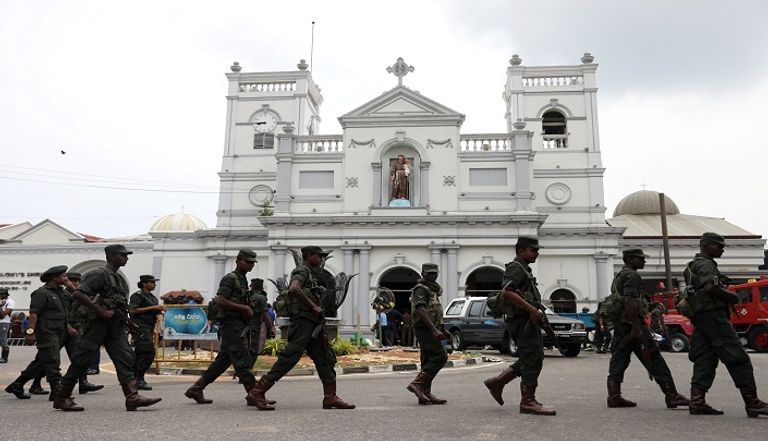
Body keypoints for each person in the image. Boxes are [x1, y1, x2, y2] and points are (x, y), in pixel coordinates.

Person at [53, 244, 161, 412]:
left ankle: (132, 397)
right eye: (123, 255)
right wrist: (100, 310)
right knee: (82, 360)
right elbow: (78, 294)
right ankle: (62, 397)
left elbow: (119, 304)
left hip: (115, 326)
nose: (126, 258)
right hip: (98, 324)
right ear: (112, 256)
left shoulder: (117, 278)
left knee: (125, 358)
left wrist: (128, 323)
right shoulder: (99, 274)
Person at [247, 246, 355, 411]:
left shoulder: (310, 272)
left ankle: (330, 397)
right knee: (290, 357)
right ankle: (258, 391)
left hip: (313, 323)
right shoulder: (302, 270)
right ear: (309, 256)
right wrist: (313, 306)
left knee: (325, 358)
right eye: (319, 256)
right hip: (303, 322)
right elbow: (294, 288)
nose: (321, 259)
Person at [684, 232, 768, 417]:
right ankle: (752, 402)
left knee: (705, 358)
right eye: (718, 245)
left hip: (703, 318)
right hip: (714, 317)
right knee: (738, 357)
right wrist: (733, 296)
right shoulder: (705, 264)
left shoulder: (692, 266)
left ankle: (697, 401)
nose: (722, 248)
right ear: (706, 246)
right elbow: (710, 287)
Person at [604, 248, 689, 409]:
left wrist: (648, 305)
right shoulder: (632, 276)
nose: (644, 261)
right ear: (630, 259)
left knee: (619, 360)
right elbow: (629, 301)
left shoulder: (619, 276)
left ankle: (614, 397)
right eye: (640, 259)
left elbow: (625, 300)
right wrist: (636, 328)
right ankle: (672, 396)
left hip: (621, 325)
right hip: (633, 325)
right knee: (654, 359)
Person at [483, 237, 555, 415]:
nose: (537, 253)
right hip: (521, 320)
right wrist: (532, 310)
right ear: (521, 250)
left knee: (533, 356)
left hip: (526, 320)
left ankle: (498, 382)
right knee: (532, 357)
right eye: (533, 250)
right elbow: (507, 291)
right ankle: (527, 401)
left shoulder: (525, 269)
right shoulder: (516, 268)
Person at [184, 249, 264, 405]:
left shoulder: (242, 280)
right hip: (231, 324)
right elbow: (221, 300)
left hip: (238, 324)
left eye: (252, 263)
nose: (250, 265)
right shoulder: (230, 279)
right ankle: (255, 394)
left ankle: (196, 389)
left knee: (222, 362)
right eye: (247, 262)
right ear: (238, 261)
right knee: (242, 359)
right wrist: (244, 308)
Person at [5, 266, 74, 401]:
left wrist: (71, 287)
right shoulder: (41, 293)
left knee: (41, 361)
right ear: (54, 278)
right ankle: (56, 391)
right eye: (64, 276)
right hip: (46, 332)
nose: (66, 279)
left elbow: (75, 301)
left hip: (60, 331)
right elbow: (34, 313)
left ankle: (17, 385)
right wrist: (30, 332)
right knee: (53, 360)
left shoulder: (63, 292)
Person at [29, 272, 104, 396]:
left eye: (76, 281)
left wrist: (73, 288)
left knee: (79, 357)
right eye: (71, 280)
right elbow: (37, 312)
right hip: (58, 330)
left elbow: (85, 303)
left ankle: (83, 383)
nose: (73, 282)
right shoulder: (55, 293)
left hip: (73, 330)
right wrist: (31, 331)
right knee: (47, 358)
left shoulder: (72, 293)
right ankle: (35, 383)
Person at [406, 263, 449, 405]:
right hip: (424, 328)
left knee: (427, 359)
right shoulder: (421, 289)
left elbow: (435, 310)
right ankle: (417, 384)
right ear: (423, 273)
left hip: (431, 327)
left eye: (435, 273)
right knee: (440, 355)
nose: (433, 276)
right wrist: (433, 329)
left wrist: (442, 329)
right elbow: (420, 309)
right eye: (430, 273)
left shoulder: (432, 290)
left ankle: (424, 393)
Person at [129, 275, 164, 391]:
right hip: (140, 327)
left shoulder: (153, 298)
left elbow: (154, 311)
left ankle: (133, 379)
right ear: (144, 284)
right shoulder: (137, 296)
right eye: (152, 282)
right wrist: (153, 307)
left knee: (139, 354)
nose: (154, 284)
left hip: (149, 327)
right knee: (149, 352)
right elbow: (133, 310)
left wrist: (159, 310)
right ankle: (138, 379)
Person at [247, 278, 275, 368]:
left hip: (243, 326)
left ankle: (241, 371)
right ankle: (246, 371)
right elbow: (265, 314)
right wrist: (271, 327)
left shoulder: (247, 296)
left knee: (245, 349)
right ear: (261, 287)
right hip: (254, 326)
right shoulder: (261, 298)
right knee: (254, 350)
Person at [0, 288, 14, 363]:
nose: (1, 295)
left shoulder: (10, 301)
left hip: (3, 322)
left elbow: (2, 315)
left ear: (6, 294)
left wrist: (0, 306)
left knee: (2, 340)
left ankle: (4, 358)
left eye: (2, 294)